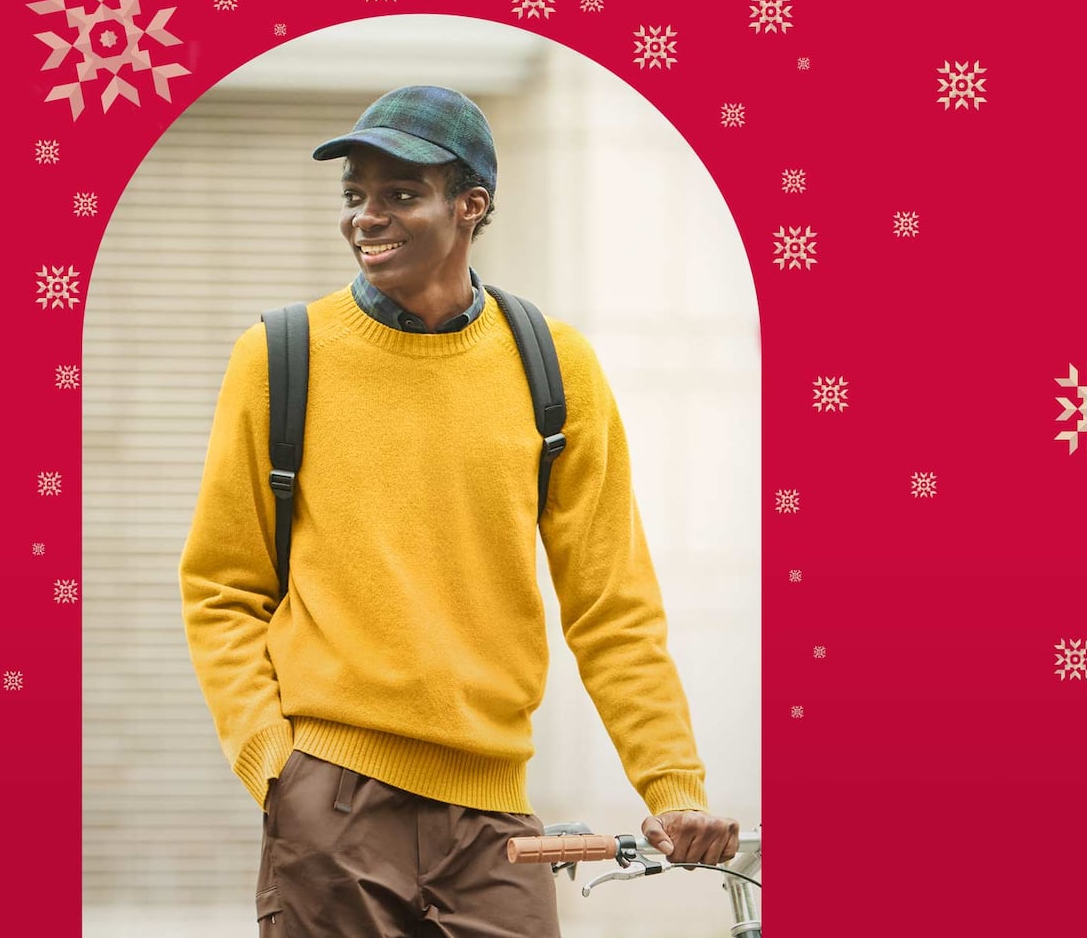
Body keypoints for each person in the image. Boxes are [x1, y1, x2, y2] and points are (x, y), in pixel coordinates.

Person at [179, 84, 739, 936]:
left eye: (400, 195)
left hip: (493, 820)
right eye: (355, 194)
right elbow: (223, 586)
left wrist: (673, 785)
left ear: (471, 206)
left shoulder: (555, 367)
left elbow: (611, 602)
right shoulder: (279, 357)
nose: (367, 217)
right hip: (330, 797)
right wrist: (274, 768)